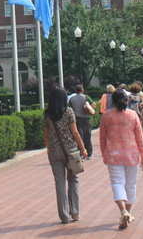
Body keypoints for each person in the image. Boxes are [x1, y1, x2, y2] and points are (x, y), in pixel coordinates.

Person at [100, 89, 143, 230]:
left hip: (113, 155)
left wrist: (104, 153)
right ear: (127, 101)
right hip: (132, 154)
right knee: (131, 185)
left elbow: (102, 138)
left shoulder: (106, 116)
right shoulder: (133, 115)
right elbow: (140, 137)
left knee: (117, 183)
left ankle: (123, 211)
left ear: (112, 100)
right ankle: (128, 212)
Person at [43, 87, 88, 224]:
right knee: (73, 180)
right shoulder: (68, 111)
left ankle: (64, 216)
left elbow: (45, 135)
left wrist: (49, 148)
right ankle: (74, 212)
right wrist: (83, 148)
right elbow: (75, 132)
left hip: (54, 152)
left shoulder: (47, 114)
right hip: (71, 151)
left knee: (59, 183)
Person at [68, 84, 95, 159]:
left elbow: (70, 109)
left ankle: (81, 153)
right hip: (87, 119)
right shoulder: (86, 97)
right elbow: (93, 105)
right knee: (88, 136)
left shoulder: (72, 99)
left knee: (80, 136)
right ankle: (89, 153)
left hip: (77, 119)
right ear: (82, 90)